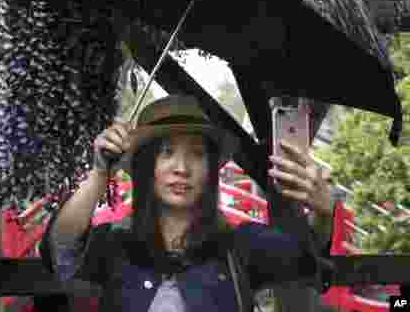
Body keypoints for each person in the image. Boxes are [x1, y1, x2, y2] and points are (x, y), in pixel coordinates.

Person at [40, 95, 337, 312]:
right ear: (146, 166)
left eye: (196, 153)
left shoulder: (239, 247)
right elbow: (61, 247)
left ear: (210, 168)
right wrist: (99, 173)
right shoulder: (115, 245)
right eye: (166, 152)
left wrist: (324, 212)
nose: (181, 167)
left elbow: (306, 257)